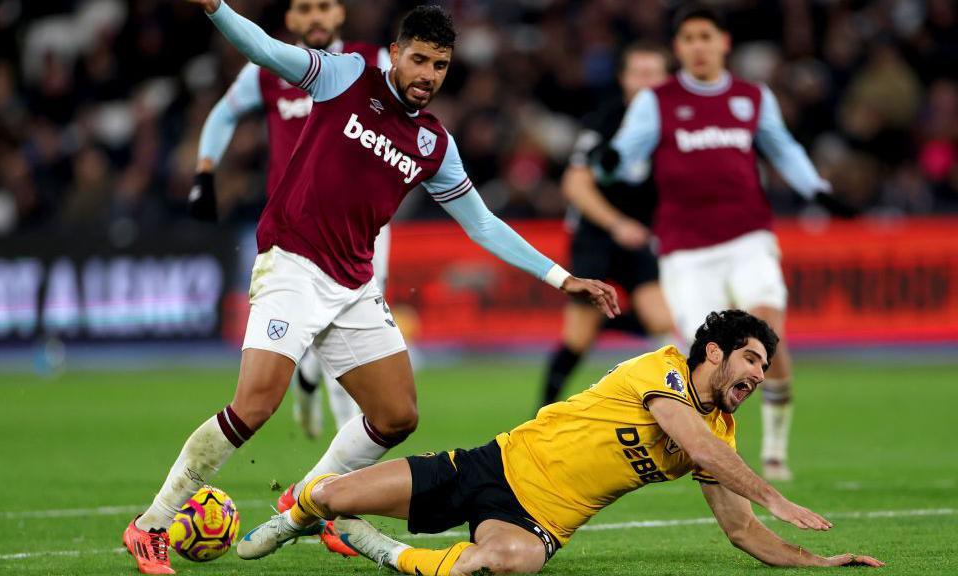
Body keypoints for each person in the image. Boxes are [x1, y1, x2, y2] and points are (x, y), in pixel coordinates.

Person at [122, 2, 620, 574]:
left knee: (396, 415)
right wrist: (216, 9)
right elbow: (266, 49)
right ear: (394, 54)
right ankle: (151, 525)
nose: (428, 75)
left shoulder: (434, 144)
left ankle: (305, 501)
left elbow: (481, 223)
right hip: (292, 264)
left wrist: (562, 278)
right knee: (255, 405)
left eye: (440, 65)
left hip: (353, 283)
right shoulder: (346, 77)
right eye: (419, 59)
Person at [235, 310, 884, 574]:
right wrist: (778, 497)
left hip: (538, 520)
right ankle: (294, 518)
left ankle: (380, 549)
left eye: (765, 369)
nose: (757, 376)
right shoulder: (661, 371)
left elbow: (741, 532)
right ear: (713, 352)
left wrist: (814, 561)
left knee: (505, 562)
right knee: (333, 493)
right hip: (491, 464)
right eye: (750, 360)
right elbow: (704, 450)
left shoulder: (721, 432)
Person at [597, 4, 857, 481]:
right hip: (686, 250)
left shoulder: (751, 97)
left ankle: (775, 452)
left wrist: (819, 191)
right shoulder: (657, 101)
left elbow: (784, 149)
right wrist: (609, 161)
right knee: (707, 361)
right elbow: (627, 157)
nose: (698, 46)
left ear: (724, 43)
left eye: (706, 37)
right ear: (678, 48)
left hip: (748, 238)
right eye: (689, 38)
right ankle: (709, 456)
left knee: (766, 336)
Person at [191, 0, 389, 442]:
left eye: (324, 6)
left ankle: (315, 388)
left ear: (340, 14)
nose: (315, 16)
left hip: (363, 222)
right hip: (297, 228)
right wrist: (205, 169)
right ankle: (339, 451)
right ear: (291, 21)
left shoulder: (370, 62)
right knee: (327, 324)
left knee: (358, 324)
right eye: (305, 8)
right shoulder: (267, 70)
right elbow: (224, 114)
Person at [541, 41, 677, 407]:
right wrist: (617, 224)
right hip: (596, 236)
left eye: (654, 74)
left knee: (663, 322)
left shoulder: (675, 126)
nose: (646, 82)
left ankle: (680, 414)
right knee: (577, 341)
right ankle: (541, 413)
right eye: (639, 73)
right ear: (624, 78)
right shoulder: (604, 122)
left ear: (667, 80)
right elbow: (574, 184)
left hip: (638, 237)